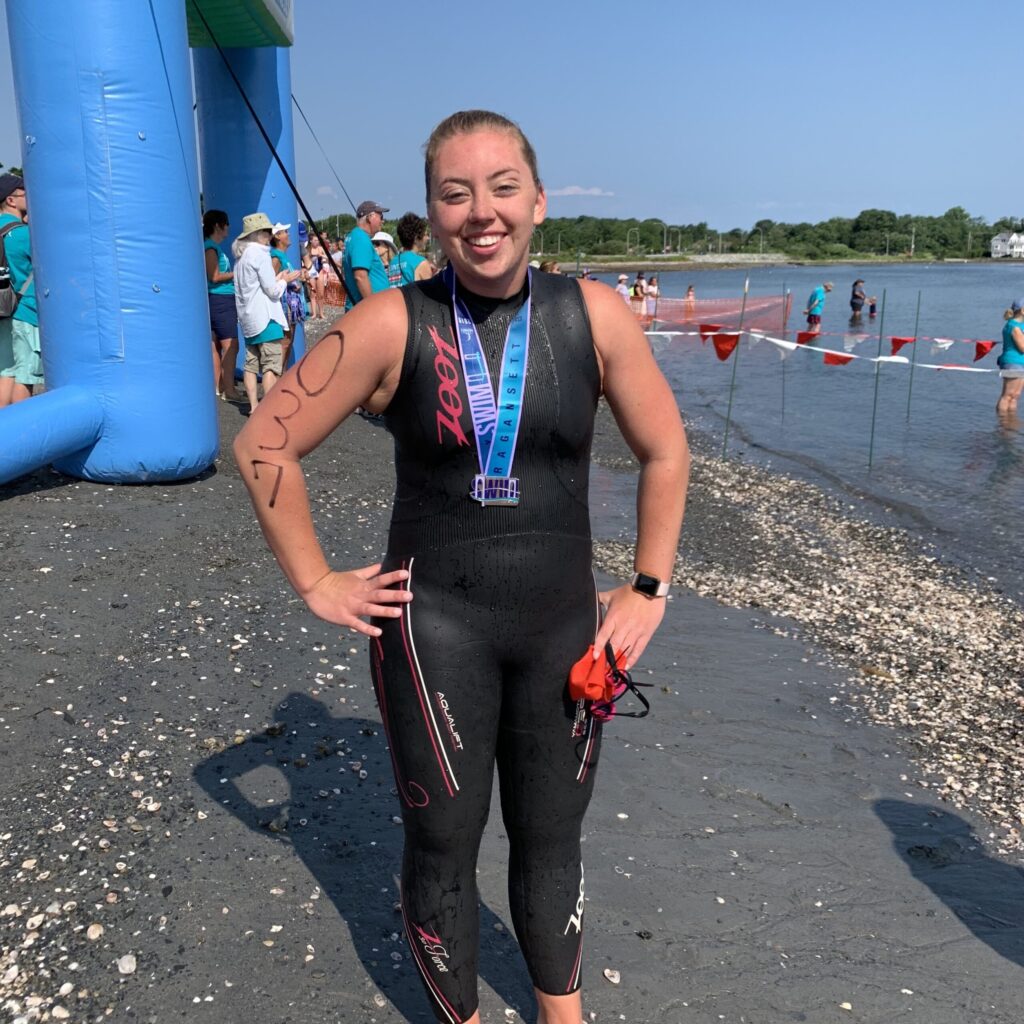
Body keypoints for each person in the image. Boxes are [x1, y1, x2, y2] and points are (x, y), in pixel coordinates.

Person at [233, 109, 689, 1024]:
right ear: (433, 216)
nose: (482, 212)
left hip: (564, 622)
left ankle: (565, 1013)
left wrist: (647, 587)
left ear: (538, 201)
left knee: (553, 836)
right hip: (432, 628)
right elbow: (262, 448)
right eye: (456, 193)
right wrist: (317, 581)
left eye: (501, 187)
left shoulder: (592, 314)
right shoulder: (386, 323)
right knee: (444, 842)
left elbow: (667, 452)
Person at [232, 212, 300, 411]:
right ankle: (269, 410)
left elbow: (252, 287)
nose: (270, 235)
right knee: (271, 364)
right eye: (267, 231)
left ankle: (254, 407)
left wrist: (277, 278)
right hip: (266, 317)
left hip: (248, 318)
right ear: (258, 233)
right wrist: (284, 280)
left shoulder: (240, 258)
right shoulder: (260, 255)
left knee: (251, 365)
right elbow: (272, 291)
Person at [0, 173, 41, 407]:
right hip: (24, 312)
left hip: (3, 310)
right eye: (25, 193)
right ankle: (21, 433)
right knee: (25, 378)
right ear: (12, 200)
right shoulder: (24, 235)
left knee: (7, 372)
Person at [202, 209, 240, 400]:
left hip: (218, 298)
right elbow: (214, 276)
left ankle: (221, 386)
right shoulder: (210, 247)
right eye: (226, 224)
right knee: (231, 345)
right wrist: (237, 273)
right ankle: (229, 390)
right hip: (221, 299)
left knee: (216, 345)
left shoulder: (212, 247)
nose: (228, 228)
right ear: (218, 226)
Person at [342, 200, 391, 309]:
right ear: (370, 217)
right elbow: (360, 276)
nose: (382, 221)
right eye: (381, 216)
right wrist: (371, 307)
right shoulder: (360, 238)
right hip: (366, 311)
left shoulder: (353, 236)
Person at [270, 222, 304, 368]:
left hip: (289, 304)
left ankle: (281, 373)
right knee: (285, 341)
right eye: (285, 232)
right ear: (277, 236)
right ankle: (279, 375)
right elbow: (271, 281)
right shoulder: (276, 258)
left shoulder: (281, 256)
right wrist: (289, 283)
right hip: (284, 305)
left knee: (288, 341)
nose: (288, 234)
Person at [997, 298, 1024, 416]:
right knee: (1007, 395)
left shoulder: (1020, 325)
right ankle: (1002, 422)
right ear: (1022, 310)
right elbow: (1022, 347)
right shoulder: (1014, 326)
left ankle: (1011, 421)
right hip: (1013, 363)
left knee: (1015, 396)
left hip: (1020, 363)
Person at [393, 212, 436, 286]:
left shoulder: (393, 261)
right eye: (425, 235)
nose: (428, 238)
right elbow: (431, 294)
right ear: (416, 239)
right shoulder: (421, 263)